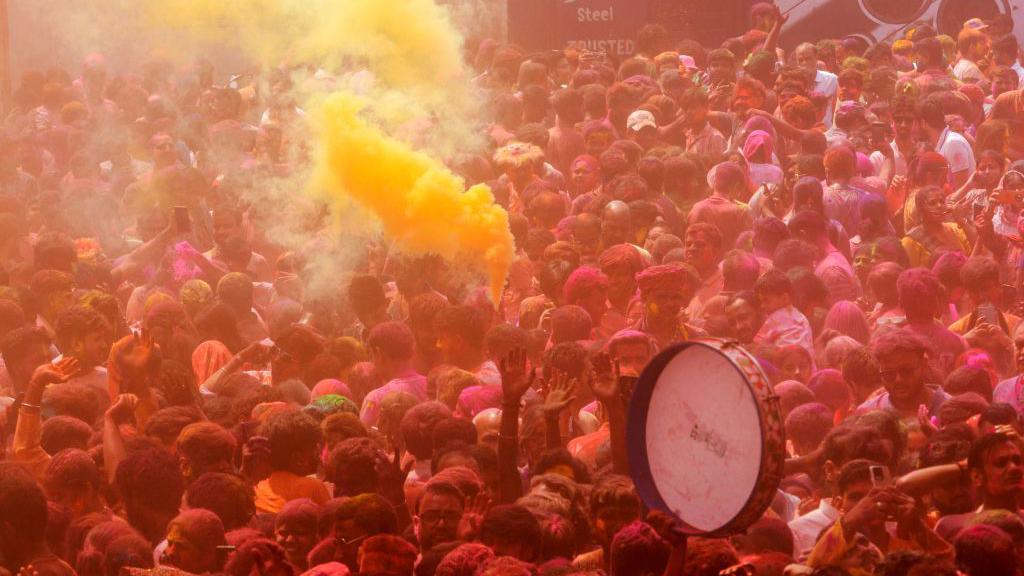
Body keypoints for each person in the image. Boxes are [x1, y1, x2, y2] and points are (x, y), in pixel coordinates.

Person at [859, 329, 949, 420]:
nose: (898, 379)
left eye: (906, 371)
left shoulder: (950, 409)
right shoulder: (868, 413)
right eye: (889, 374)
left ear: (924, 365)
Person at [254, 410, 330, 513]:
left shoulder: (257, 488)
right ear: (298, 458)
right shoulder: (313, 487)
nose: (317, 454)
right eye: (313, 448)